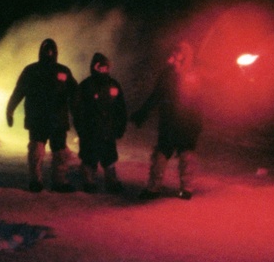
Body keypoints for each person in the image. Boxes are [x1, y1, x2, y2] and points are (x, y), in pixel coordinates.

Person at [131, 40, 203, 199]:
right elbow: (156, 95)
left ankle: (187, 188)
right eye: (174, 51)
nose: (174, 55)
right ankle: (153, 188)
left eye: (178, 52)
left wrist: (198, 122)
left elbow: (200, 100)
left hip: (187, 122)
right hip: (169, 121)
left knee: (186, 156)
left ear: (186, 56)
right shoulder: (167, 74)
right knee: (161, 154)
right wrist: (143, 113)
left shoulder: (193, 74)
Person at [5, 37, 77, 192]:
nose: (49, 53)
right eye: (46, 50)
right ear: (41, 52)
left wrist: (80, 111)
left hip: (58, 120)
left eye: (52, 50)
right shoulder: (31, 71)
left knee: (60, 152)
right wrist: (9, 110)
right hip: (38, 119)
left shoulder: (63, 71)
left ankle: (60, 181)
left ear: (56, 52)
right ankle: (35, 181)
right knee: (36, 152)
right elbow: (19, 91)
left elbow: (75, 93)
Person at [72, 52, 127, 194]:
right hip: (90, 130)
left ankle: (111, 181)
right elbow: (77, 109)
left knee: (109, 157)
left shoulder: (113, 85)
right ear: (94, 67)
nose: (103, 70)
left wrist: (121, 126)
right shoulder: (86, 86)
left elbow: (121, 108)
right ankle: (88, 180)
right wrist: (80, 128)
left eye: (105, 67)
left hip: (108, 130)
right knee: (89, 157)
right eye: (100, 67)